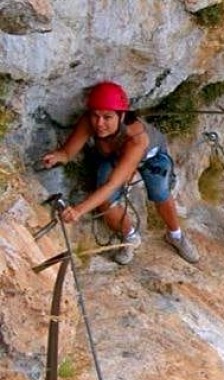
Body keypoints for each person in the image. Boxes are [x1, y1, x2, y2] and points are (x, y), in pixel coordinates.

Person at [42, 81, 200, 265]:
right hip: (115, 157)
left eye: (107, 117)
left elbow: (113, 183)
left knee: (160, 192)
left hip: (151, 156)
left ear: (121, 115)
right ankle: (130, 237)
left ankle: (175, 235)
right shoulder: (90, 122)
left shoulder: (137, 138)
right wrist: (56, 156)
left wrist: (79, 210)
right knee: (106, 202)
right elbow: (68, 153)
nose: (100, 123)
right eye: (95, 116)